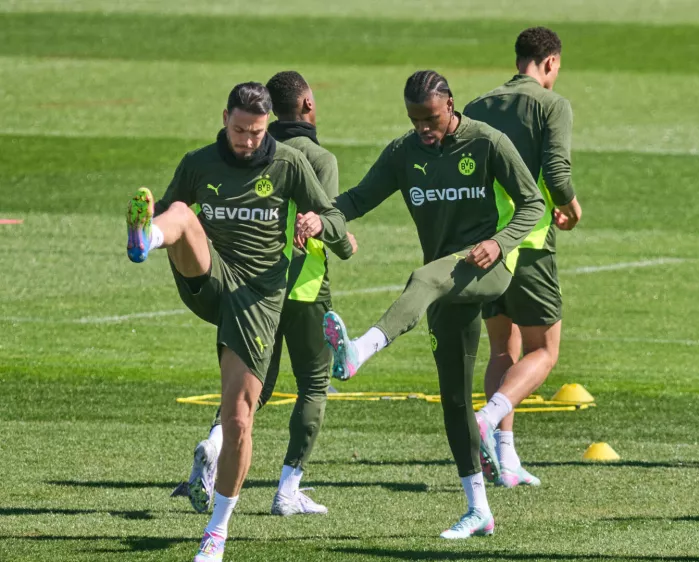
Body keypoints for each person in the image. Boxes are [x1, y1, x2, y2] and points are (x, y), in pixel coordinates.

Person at [124, 82, 354, 562]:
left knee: (238, 419)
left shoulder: (288, 163)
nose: (247, 140)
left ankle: (217, 531)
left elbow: (332, 216)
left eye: (255, 132)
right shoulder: (198, 162)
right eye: (239, 130)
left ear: (268, 124)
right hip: (211, 276)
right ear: (224, 116)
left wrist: (317, 225)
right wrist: (157, 222)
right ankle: (145, 240)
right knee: (181, 214)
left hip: (258, 298)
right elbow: (170, 203)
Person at [322, 70, 544, 538]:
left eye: (431, 117)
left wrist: (501, 244)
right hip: (445, 286)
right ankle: (478, 509)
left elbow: (533, 204)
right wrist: (322, 220)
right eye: (415, 119)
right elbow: (358, 198)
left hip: (487, 269)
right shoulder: (405, 154)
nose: (424, 127)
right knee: (455, 398)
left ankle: (360, 349)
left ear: (450, 105)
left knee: (422, 276)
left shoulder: (488, 142)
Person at [183, 71, 349, 519]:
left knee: (253, 388)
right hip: (304, 288)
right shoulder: (316, 158)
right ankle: (287, 489)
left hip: (249, 294)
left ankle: (214, 446)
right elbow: (326, 220)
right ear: (309, 105)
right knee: (314, 385)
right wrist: (346, 241)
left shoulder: (251, 157)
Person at [463, 26, 582, 487]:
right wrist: (571, 206)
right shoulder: (551, 105)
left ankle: (506, 460)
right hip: (528, 242)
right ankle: (487, 420)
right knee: (544, 350)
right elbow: (556, 170)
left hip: (486, 245)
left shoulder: (476, 107)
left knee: (501, 348)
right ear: (550, 63)